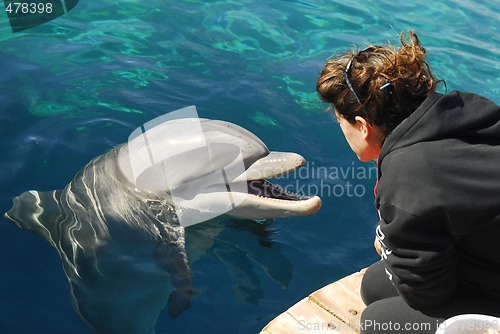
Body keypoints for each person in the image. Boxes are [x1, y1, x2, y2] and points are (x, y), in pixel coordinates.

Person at [316, 31, 500, 334]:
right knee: (374, 285)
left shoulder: (408, 175)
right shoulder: (464, 110)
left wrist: (390, 242)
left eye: (341, 123)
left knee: (377, 321)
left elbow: (428, 294)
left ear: (362, 126)